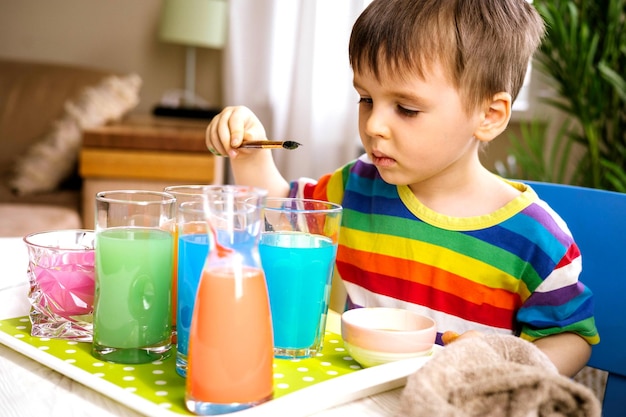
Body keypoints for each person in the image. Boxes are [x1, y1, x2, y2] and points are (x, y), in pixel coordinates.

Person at [205, 0, 598, 377]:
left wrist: (511, 368)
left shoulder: (536, 237)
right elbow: (283, 218)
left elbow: (571, 337)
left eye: (406, 109)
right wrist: (251, 155)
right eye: (365, 99)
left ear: (489, 116)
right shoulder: (357, 186)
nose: (374, 124)